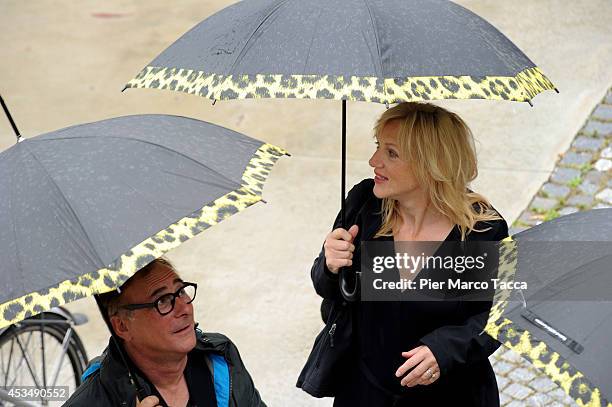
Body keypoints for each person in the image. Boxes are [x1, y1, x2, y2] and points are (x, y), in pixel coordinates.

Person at [310, 102, 508, 406]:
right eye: (378, 146)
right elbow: (331, 290)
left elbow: (498, 317)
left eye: (391, 153)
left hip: (450, 397)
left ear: (431, 164)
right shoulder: (365, 205)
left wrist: (444, 350)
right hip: (366, 393)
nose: (374, 160)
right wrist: (330, 265)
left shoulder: (482, 231)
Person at [63, 257, 265, 407]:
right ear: (122, 326)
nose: (184, 308)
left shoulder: (220, 357)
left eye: (181, 291)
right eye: (162, 301)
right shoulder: (91, 401)